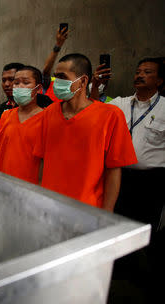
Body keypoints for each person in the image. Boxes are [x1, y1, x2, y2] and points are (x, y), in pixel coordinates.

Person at [32, 53, 137, 211]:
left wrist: (106, 213)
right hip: (50, 205)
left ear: (83, 81)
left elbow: (114, 170)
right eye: (55, 77)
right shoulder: (49, 113)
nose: (57, 83)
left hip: (87, 209)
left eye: (62, 77)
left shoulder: (110, 116)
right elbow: (42, 160)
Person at [105, 58, 164, 303]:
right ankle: (118, 276)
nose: (140, 75)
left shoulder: (164, 109)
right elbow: (94, 106)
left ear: (159, 80)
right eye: (138, 71)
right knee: (118, 225)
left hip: (151, 182)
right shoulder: (118, 104)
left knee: (146, 231)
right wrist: (98, 84)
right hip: (121, 177)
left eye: (147, 72)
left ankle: (144, 285)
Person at [0, 66, 44, 183]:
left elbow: (44, 161)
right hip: (4, 184)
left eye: (26, 83)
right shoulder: (6, 116)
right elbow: (0, 152)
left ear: (38, 88)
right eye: (16, 83)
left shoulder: (46, 118)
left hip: (30, 188)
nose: (19, 86)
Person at [42, 26, 69, 103]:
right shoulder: (49, 86)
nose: (58, 78)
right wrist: (58, 45)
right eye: (56, 75)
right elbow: (46, 71)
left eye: (62, 76)